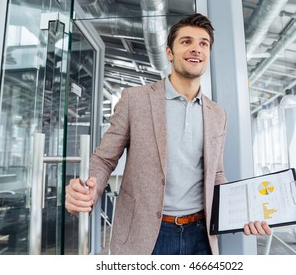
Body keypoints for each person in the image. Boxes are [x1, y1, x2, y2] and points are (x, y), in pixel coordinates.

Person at [65, 13, 271, 255]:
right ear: (170, 52)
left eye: (203, 43)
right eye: (186, 42)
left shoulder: (218, 114)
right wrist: (87, 190)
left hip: (201, 235)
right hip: (146, 234)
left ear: (208, 54)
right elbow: (104, 159)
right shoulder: (136, 99)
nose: (196, 49)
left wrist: (241, 212)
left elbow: (216, 173)